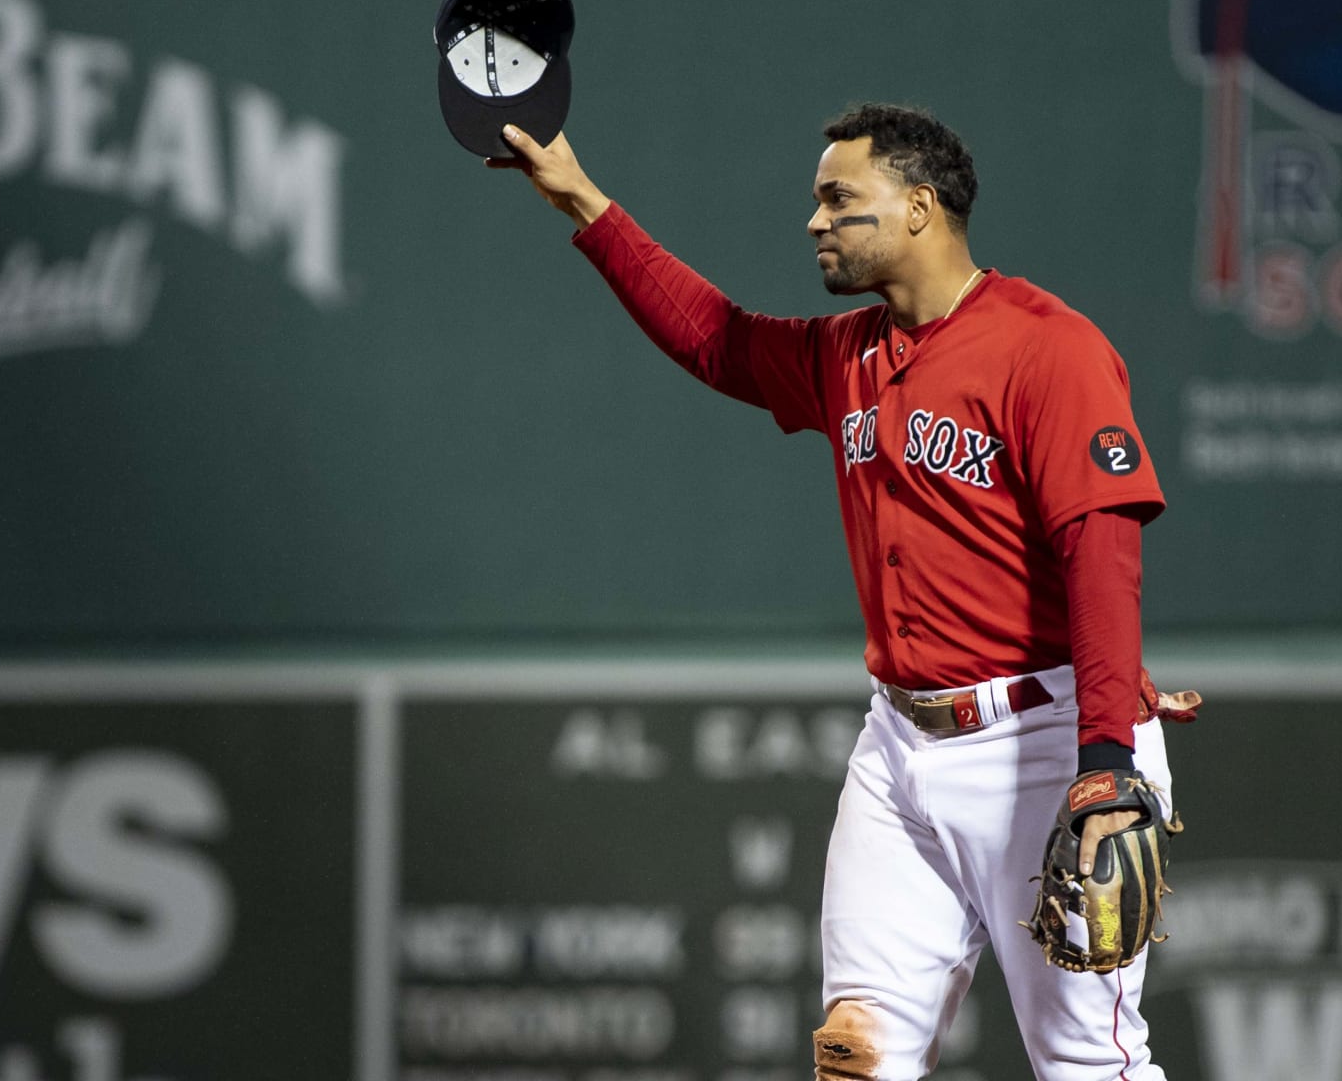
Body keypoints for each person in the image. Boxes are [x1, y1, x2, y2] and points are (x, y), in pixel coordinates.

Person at [488, 103, 1191, 1080]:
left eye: (838, 199)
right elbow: (718, 343)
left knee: (1087, 1063)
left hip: (1045, 740)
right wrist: (578, 196)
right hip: (901, 747)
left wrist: (1108, 758)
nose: (816, 221)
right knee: (857, 1059)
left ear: (918, 206)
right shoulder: (848, 353)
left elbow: (1102, 554)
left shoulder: (1047, 347)